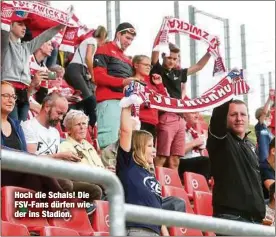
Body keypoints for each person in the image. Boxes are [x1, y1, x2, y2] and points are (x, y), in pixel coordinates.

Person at [151, 42, 212, 170]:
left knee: (175, 159)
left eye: (175, 58)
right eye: (169, 58)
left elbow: (198, 66)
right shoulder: (158, 69)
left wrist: (210, 52)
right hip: (166, 115)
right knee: (162, 156)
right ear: (163, 56)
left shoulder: (178, 73)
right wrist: (161, 39)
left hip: (180, 118)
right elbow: (154, 54)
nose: (172, 61)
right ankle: (156, 185)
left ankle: (173, 188)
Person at [207, 99, 265, 225]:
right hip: (231, 218)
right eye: (233, 115)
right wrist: (227, 90)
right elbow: (217, 117)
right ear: (225, 118)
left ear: (248, 118)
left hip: (255, 221)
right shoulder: (220, 139)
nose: (239, 118)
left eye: (243, 114)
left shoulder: (250, 145)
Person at [1, 81, 65, 193]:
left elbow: (26, 157)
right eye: (6, 96)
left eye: (13, 96)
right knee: (37, 165)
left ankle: (52, 205)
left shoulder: (17, 126)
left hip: (17, 173)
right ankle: (64, 198)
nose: (11, 100)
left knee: (37, 177)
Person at [1, 12, 65, 121]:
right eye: (20, 24)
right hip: (9, 90)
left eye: (25, 25)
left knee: (21, 128)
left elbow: (44, 36)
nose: (24, 27)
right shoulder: (4, 44)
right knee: (14, 126)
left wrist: (61, 25)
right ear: (10, 26)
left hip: (25, 94)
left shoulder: (27, 47)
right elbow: (4, 32)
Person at [117, 105, 169, 236]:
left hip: (154, 231)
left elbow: (157, 208)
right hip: (136, 229)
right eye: (150, 146)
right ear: (139, 147)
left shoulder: (150, 174)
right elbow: (126, 131)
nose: (154, 150)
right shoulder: (128, 165)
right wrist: (127, 105)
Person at [59, 110, 113, 213]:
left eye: (84, 124)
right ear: (69, 129)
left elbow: (99, 167)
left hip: (97, 179)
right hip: (81, 180)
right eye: (78, 124)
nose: (82, 127)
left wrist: (106, 170)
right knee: (100, 188)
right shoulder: (65, 146)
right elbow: (75, 172)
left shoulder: (89, 146)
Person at [93, 22, 137, 149]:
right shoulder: (104, 49)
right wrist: (123, 82)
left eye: (131, 40)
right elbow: (98, 76)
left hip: (124, 104)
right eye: (127, 38)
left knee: (124, 145)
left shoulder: (128, 59)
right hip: (108, 101)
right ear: (118, 34)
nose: (129, 42)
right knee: (109, 142)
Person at [132, 55, 167, 143]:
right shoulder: (131, 81)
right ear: (136, 65)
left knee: (149, 154)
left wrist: (159, 84)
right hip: (140, 121)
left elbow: (164, 101)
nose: (148, 67)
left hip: (153, 123)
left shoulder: (151, 85)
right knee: (139, 152)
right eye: (145, 65)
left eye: (150, 66)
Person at [65, 26, 107, 98]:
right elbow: (88, 58)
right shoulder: (92, 41)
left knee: (78, 98)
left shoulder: (88, 40)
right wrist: (92, 75)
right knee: (89, 97)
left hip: (72, 69)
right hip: (77, 69)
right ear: (103, 38)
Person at [178, 112, 211, 181]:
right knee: (205, 161)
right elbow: (177, 151)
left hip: (196, 162)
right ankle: (203, 186)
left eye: (197, 113)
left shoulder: (194, 130)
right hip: (183, 162)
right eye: (193, 113)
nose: (197, 116)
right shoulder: (179, 127)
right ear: (184, 114)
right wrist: (194, 143)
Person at [255, 90, 275, 163]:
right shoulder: (260, 126)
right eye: (269, 116)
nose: (271, 118)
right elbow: (264, 112)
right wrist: (269, 98)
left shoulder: (267, 131)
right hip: (262, 159)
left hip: (268, 160)